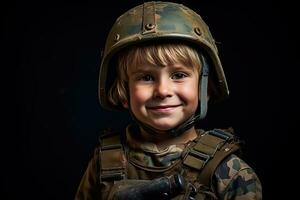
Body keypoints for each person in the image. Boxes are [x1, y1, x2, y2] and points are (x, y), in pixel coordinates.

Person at [75, 1, 262, 199]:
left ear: (204, 88)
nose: (163, 91)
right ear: (123, 92)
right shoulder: (103, 165)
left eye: (179, 75)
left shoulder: (229, 172)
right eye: (146, 78)